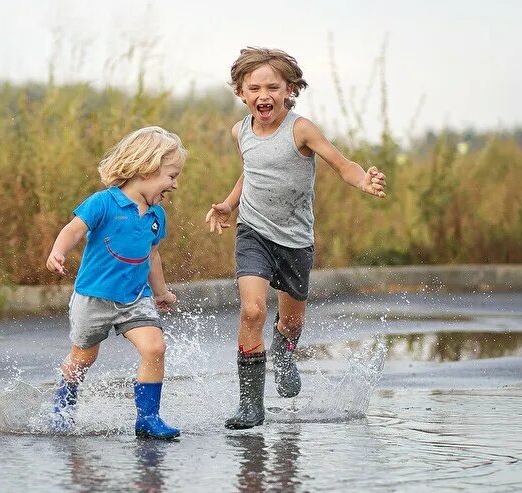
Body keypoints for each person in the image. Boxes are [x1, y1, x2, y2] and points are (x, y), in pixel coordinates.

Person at [206, 47, 387, 430]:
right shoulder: (240, 131)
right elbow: (251, 172)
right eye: (254, 87)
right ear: (240, 92)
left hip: (295, 240)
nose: (263, 95)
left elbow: (341, 164)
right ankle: (250, 405)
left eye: (273, 86)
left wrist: (363, 181)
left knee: (290, 321)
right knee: (252, 311)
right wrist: (228, 204)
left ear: (290, 89)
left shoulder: (300, 129)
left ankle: (285, 354)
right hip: (252, 231)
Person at [46, 126, 188, 439]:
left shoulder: (156, 215)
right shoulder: (103, 203)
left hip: (136, 298)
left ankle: (148, 419)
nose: (175, 185)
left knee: (155, 347)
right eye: (172, 175)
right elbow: (73, 230)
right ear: (147, 168)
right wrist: (58, 252)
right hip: (93, 298)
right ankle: (62, 406)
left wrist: (161, 292)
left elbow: (152, 256)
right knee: (83, 359)